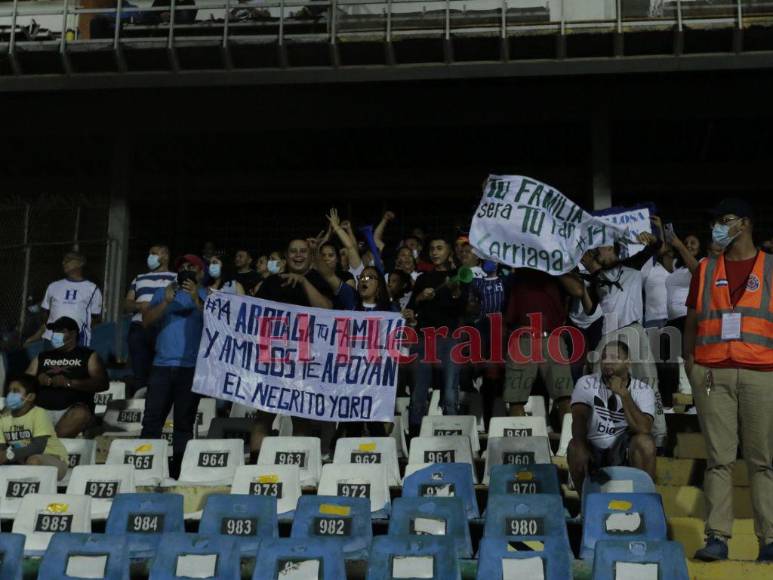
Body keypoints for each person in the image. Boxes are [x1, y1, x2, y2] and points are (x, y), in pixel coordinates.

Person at [685, 198, 773, 562]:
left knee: (762, 460)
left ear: (746, 223)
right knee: (718, 460)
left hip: (762, 373)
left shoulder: (771, 268)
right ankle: (717, 537)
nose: (717, 227)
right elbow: (691, 322)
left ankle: (769, 539)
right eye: (716, 221)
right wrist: (691, 366)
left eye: (726, 220)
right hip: (712, 373)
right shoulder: (705, 268)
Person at [588, 231, 667, 447]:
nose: (602, 251)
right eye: (600, 249)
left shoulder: (632, 265)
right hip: (608, 336)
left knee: (649, 383)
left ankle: (659, 438)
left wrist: (653, 238)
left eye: (606, 247)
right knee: (601, 388)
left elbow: (656, 247)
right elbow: (589, 309)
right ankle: (603, 439)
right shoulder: (595, 278)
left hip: (633, 331)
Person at [140, 254, 208, 479]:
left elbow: (216, 325)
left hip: (190, 368)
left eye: (192, 267)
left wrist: (197, 299)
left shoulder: (208, 295)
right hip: (161, 366)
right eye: (184, 266)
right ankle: (146, 471)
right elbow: (146, 321)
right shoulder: (163, 292)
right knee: (151, 421)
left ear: (200, 272)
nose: (187, 270)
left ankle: (180, 473)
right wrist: (166, 302)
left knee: (183, 424)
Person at [567, 341, 657, 496]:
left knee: (645, 443)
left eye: (615, 357)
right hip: (594, 449)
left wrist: (624, 394)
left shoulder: (643, 390)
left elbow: (644, 429)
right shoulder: (586, 383)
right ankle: (585, 506)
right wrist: (581, 445)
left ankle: (643, 502)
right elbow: (579, 417)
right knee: (575, 446)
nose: (608, 361)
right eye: (604, 357)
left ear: (628, 363)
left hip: (624, 451)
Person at [404, 236, 464, 435]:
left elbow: (465, 308)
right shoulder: (422, 279)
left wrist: (456, 293)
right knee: (418, 393)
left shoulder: (459, 276)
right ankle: (415, 441)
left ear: (449, 252)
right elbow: (410, 309)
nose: (435, 252)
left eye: (439, 248)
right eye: (432, 249)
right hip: (423, 341)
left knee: (449, 392)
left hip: (450, 340)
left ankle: (452, 439)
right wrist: (420, 297)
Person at [25, 316, 109, 438]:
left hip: (71, 412)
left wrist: (70, 383)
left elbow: (102, 383)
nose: (55, 335)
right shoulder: (42, 357)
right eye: (54, 332)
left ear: (73, 334)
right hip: (40, 412)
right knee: (11, 409)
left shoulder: (88, 355)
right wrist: (36, 380)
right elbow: (23, 383)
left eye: (60, 331)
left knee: (81, 414)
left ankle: (49, 444)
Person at [124, 245, 176, 396]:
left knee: (162, 371)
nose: (150, 257)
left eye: (154, 253)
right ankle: (140, 403)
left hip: (163, 329)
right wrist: (140, 305)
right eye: (149, 253)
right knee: (140, 372)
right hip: (139, 329)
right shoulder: (139, 278)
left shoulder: (175, 278)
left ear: (165, 256)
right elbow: (127, 304)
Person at [25, 251, 102, 348]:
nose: (64, 262)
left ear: (81, 262)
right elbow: (48, 319)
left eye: (69, 259)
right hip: (53, 341)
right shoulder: (53, 287)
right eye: (64, 260)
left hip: (76, 342)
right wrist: (35, 337)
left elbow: (95, 320)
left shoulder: (93, 289)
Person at [0, 375, 69, 480]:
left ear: (30, 397)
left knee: (33, 460)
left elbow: (38, 447)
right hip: (21, 460)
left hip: (53, 461)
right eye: (9, 391)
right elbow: (1, 448)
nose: (10, 395)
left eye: (16, 391)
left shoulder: (39, 414)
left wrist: (9, 455)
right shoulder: (3, 418)